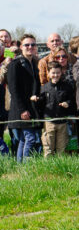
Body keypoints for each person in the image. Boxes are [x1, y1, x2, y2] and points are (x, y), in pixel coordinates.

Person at [6, 34, 42, 162]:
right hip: (20, 109)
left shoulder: (35, 63)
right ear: (21, 47)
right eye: (27, 45)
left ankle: (20, 167)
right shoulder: (15, 64)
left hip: (31, 107)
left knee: (23, 139)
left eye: (33, 44)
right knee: (30, 138)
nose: (30, 47)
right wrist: (22, 110)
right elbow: (13, 90)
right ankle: (25, 166)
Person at [35, 61, 73, 157]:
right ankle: (48, 168)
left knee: (62, 148)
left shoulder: (66, 86)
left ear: (61, 73)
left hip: (62, 122)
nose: (55, 75)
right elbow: (41, 104)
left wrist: (67, 103)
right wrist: (37, 99)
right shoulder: (44, 88)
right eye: (53, 73)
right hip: (49, 122)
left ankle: (60, 167)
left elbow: (72, 100)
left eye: (58, 73)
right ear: (48, 73)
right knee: (48, 147)